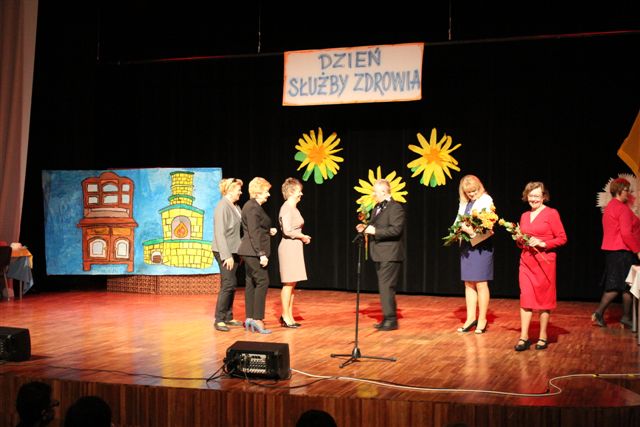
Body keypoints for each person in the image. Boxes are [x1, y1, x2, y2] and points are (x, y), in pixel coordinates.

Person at [514, 182, 567, 351]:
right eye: (531, 195)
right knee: (526, 298)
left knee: (544, 300)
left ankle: (543, 336)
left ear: (544, 197)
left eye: (537, 195)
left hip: (544, 262)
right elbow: (521, 242)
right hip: (526, 261)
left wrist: (543, 243)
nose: (534, 199)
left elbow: (562, 238)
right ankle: (523, 337)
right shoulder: (524, 216)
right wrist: (519, 239)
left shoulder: (551, 213)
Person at [356, 179, 405, 331]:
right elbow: (375, 226)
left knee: (386, 287)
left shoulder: (395, 208)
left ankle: (391, 319)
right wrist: (366, 228)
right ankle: (387, 317)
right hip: (379, 253)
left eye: (375, 192)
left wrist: (375, 231)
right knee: (384, 287)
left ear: (384, 192)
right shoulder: (377, 207)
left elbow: (396, 230)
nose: (373, 194)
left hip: (390, 253)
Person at [592, 178, 640, 328]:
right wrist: (637, 250)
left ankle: (625, 317)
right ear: (620, 190)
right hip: (622, 252)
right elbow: (626, 234)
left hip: (614, 252)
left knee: (625, 286)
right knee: (618, 285)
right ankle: (599, 313)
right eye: (626, 190)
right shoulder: (622, 209)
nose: (628, 193)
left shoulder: (611, 206)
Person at [454, 175, 494, 334]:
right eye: (468, 192)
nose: (471, 194)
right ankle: (470, 318)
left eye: (474, 191)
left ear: (479, 187)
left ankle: (482, 319)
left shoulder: (486, 200)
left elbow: (488, 225)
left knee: (481, 283)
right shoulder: (465, 203)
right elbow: (458, 220)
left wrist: (471, 232)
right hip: (467, 246)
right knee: (469, 283)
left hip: (481, 246)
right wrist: (456, 231)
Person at [237, 177, 277, 334]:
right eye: (266, 191)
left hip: (249, 251)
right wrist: (261, 254)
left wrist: (268, 230)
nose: (268, 194)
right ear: (258, 192)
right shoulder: (253, 207)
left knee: (250, 283)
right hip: (253, 252)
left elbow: (256, 228)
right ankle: (258, 319)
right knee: (262, 281)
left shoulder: (252, 206)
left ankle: (250, 317)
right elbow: (253, 233)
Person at [211, 178, 244, 332]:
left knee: (232, 283)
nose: (240, 192)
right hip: (223, 251)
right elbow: (219, 233)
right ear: (230, 190)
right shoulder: (222, 206)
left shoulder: (236, 206)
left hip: (234, 250)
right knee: (228, 283)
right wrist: (226, 256)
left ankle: (228, 317)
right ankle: (219, 319)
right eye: (238, 189)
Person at [278, 177, 311, 328]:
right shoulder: (286, 208)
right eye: (299, 191)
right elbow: (287, 230)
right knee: (288, 283)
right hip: (288, 247)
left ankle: (289, 315)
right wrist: (302, 236)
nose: (301, 194)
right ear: (291, 192)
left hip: (295, 247)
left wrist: (302, 237)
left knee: (292, 284)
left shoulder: (294, 208)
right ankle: (285, 316)